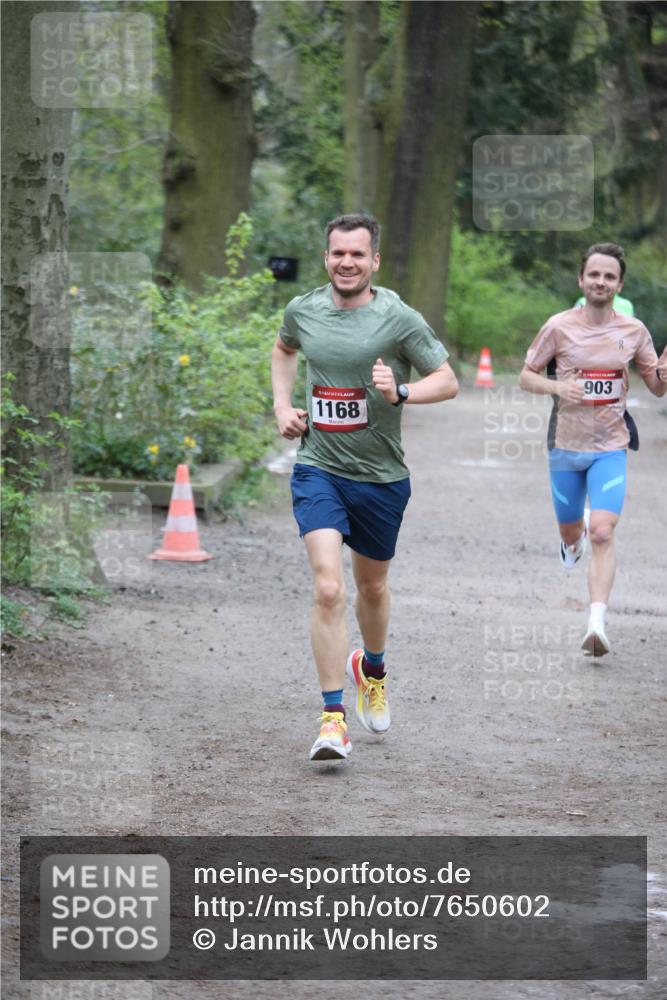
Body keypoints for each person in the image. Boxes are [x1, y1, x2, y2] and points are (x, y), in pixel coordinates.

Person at [271, 213, 458, 761]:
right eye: (337, 254)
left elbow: (447, 381)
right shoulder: (302, 310)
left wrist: (401, 391)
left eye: (357, 254)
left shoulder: (396, 317)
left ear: (374, 260)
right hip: (318, 468)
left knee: (371, 588)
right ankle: (333, 719)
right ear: (326, 257)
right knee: (329, 588)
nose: (346, 263)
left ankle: (370, 668)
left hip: (380, 477)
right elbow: (284, 350)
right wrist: (283, 406)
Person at [519, 243, 667, 657]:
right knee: (573, 532)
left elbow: (655, 387)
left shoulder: (634, 331)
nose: (601, 282)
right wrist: (558, 386)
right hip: (565, 444)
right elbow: (526, 377)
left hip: (611, 446)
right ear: (582, 280)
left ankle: (596, 623)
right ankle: (570, 541)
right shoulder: (558, 327)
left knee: (603, 531)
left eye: (609, 277)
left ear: (619, 285)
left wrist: (664, 376)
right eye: (594, 275)